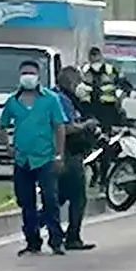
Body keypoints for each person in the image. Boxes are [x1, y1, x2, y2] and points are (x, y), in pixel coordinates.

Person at [0, 60, 69, 256]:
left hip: (45, 157)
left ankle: (56, 240)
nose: (27, 76)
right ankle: (32, 240)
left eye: (31, 72)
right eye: (24, 73)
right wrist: (8, 145)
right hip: (22, 159)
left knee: (50, 198)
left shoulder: (50, 99)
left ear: (38, 76)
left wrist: (59, 155)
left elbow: (59, 127)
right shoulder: (13, 101)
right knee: (26, 201)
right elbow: (2, 124)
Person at [52, 66, 99, 251]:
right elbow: (65, 128)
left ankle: (39, 228)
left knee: (62, 196)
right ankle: (72, 237)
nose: (80, 86)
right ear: (70, 82)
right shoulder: (62, 99)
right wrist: (85, 126)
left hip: (67, 153)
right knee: (77, 197)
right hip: (67, 153)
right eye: (78, 82)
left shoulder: (64, 99)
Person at [76, 46, 131, 187]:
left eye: (96, 55)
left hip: (107, 111)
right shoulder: (83, 71)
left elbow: (126, 86)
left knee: (106, 145)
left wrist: (119, 100)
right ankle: (94, 174)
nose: (94, 58)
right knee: (88, 145)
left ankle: (103, 178)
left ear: (100, 56)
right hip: (88, 111)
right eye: (92, 56)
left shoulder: (110, 70)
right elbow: (77, 89)